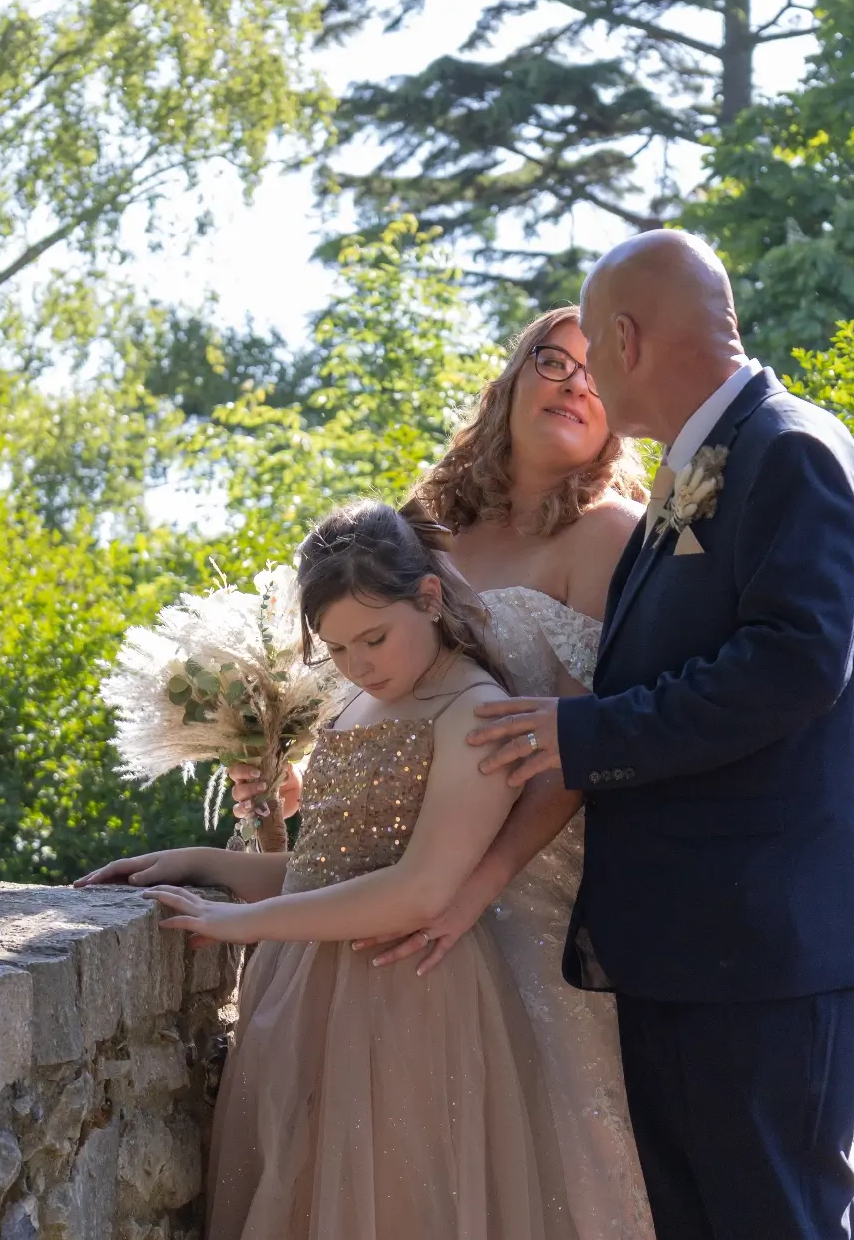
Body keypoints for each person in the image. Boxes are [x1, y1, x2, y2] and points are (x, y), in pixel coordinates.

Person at [466, 230, 854, 1240]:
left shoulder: (790, 449)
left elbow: (791, 666)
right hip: (688, 940)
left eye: (593, 347)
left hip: (769, 942)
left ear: (625, 337)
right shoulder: (696, 468)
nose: (590, 373)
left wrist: (588, 734)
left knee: (777, 1217)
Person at [76, 501, 576, 1240]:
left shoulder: (474, 711)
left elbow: (422, 890)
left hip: (405, 996)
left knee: (390, 1208)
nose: (358, 664)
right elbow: (322, 869)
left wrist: (243, 921)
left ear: (428, 599)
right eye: (337, 648)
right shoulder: (360, 700)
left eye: (374, 638)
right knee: (300, 1195)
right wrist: (199, 862)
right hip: (307, 993)